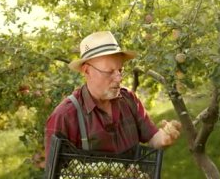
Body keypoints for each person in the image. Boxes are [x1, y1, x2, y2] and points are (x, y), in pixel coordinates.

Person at [44, 31, 181, 161]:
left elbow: (152, 138)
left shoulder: (129, 100)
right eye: (109, 71)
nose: (119, 78)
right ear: (87, 71)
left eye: (120, 70)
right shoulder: (65, 117)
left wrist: (163, 138)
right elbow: (55, 171)